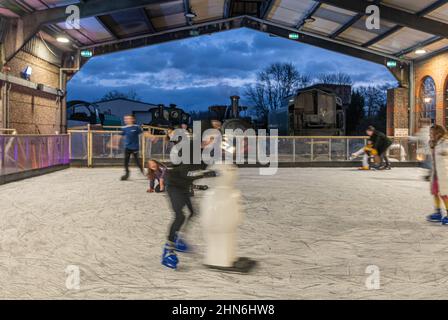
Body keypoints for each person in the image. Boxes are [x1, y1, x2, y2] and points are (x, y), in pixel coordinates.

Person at [426, 125, 448, 225]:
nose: (430, 135)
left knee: (444, 194)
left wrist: (445, 152)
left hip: (444, 172)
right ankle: (438, 212)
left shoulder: (445, 142)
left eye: (431, 133)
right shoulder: (433, 143)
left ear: (438, 133)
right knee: (435, 192)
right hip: (436, 173)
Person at [120, 115, 144, 181]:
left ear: (133, 119)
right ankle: (127, 174)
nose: (126, 120)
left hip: (135, 147)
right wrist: (114, 141)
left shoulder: (136, 127)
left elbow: (143, 133)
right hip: (127, 147)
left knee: (136, 161)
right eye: (125, 119)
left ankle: (142, 171)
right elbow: (120, 135)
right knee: (125, 162)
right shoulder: (124, 128)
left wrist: (151, 136)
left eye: (128, 119)